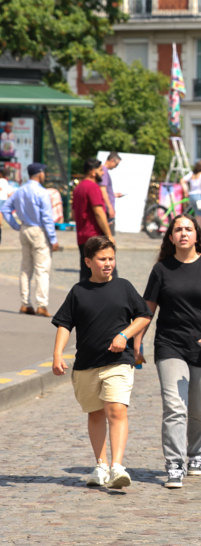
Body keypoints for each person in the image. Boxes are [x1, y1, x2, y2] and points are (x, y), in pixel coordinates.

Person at [51, 236, 151, 490]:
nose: (108, 263)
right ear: (88, 261)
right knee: (95, 413)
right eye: (102, 259)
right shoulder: (78, 291)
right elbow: (65, 324)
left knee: (116, 410)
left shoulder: (124, 287)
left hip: (118, 361)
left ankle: (117, 466)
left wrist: (123, 335)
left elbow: (143, 316)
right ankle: (101, 465)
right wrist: (57, 354)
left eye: (111, 259)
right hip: (86, 364)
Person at [144, 215, 201, 488]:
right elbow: (147, 311)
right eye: (178, 229)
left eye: (188, 229)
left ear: (196, 234)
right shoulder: (161, 270)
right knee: (175, 407)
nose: (183, 233)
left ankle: (197, 454)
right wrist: (134, 342)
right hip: (169, 345)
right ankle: (174, 464)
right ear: (170, 237)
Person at [2, 162, 62, 315]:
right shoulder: (42, 192)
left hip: (25, 228)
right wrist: (53, 239)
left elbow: (5, 208)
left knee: (25, 268)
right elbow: (48, 218)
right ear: (40, 173)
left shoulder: (19, 191)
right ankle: (41, 305)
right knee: (42, 269)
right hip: (39, 230)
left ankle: (25, 303)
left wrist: (16, 226)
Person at [72, 158, 112, 282]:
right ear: (92, 172)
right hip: (95, 237)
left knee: (86, 274)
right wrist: (109, 235)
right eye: (100, 170)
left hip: (82, 236)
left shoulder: (78, 188)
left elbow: (73, 214)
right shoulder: (93, 187)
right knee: (106, 275)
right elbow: (99, 212)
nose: (103, 173)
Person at [183, 160, 201, 227]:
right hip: (200, 196)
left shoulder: (191, 174)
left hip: (192, 196)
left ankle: (196, 231)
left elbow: (182, 180)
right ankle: (198, 233)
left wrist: (186, 191)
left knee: (196, 215)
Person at [102, 151, 122, 223]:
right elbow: (102, 190)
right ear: (112, 160)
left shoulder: (105, 171)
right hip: (106, 209)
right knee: (107, 233)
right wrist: (110, 208)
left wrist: (114, 195)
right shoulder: (103, 171)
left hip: (106, 208)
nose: (116, 167)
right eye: (116, 164)